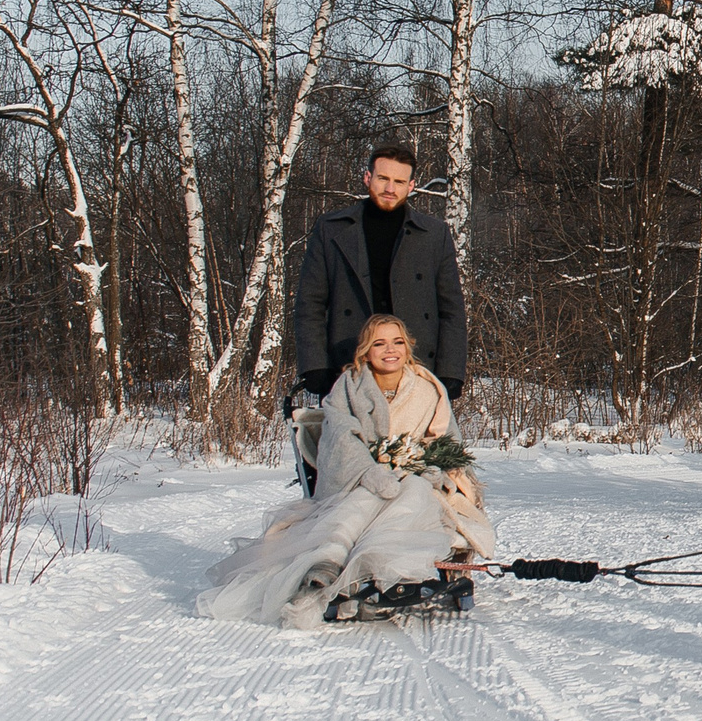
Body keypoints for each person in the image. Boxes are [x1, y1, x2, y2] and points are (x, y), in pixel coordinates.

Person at [201, 313, 497, 627]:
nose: (390, 350)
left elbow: (446, 440)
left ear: (408, 347)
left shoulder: (428, 388)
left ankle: (383, 567)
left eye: (397, 342)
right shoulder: (349, 385)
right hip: (361, 477)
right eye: (379, 343)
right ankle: (327, 561)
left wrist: (430, 467)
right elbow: (341, 436)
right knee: (366, 499)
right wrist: (368, 471)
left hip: (417, 475)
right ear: (366, 351)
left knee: (411, 491)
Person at [290, 140, 465, 494]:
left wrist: (450, 371)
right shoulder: (332, 229)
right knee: (348, 469)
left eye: (399, 181)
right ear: (367, 178)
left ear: (412, 186)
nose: (390, 188)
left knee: (421, 470)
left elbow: (451, 309)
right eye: (383, 178)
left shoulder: (434, 234)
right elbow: (310, 303)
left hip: (416, 371)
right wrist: (315, 365)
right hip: (348, 369)